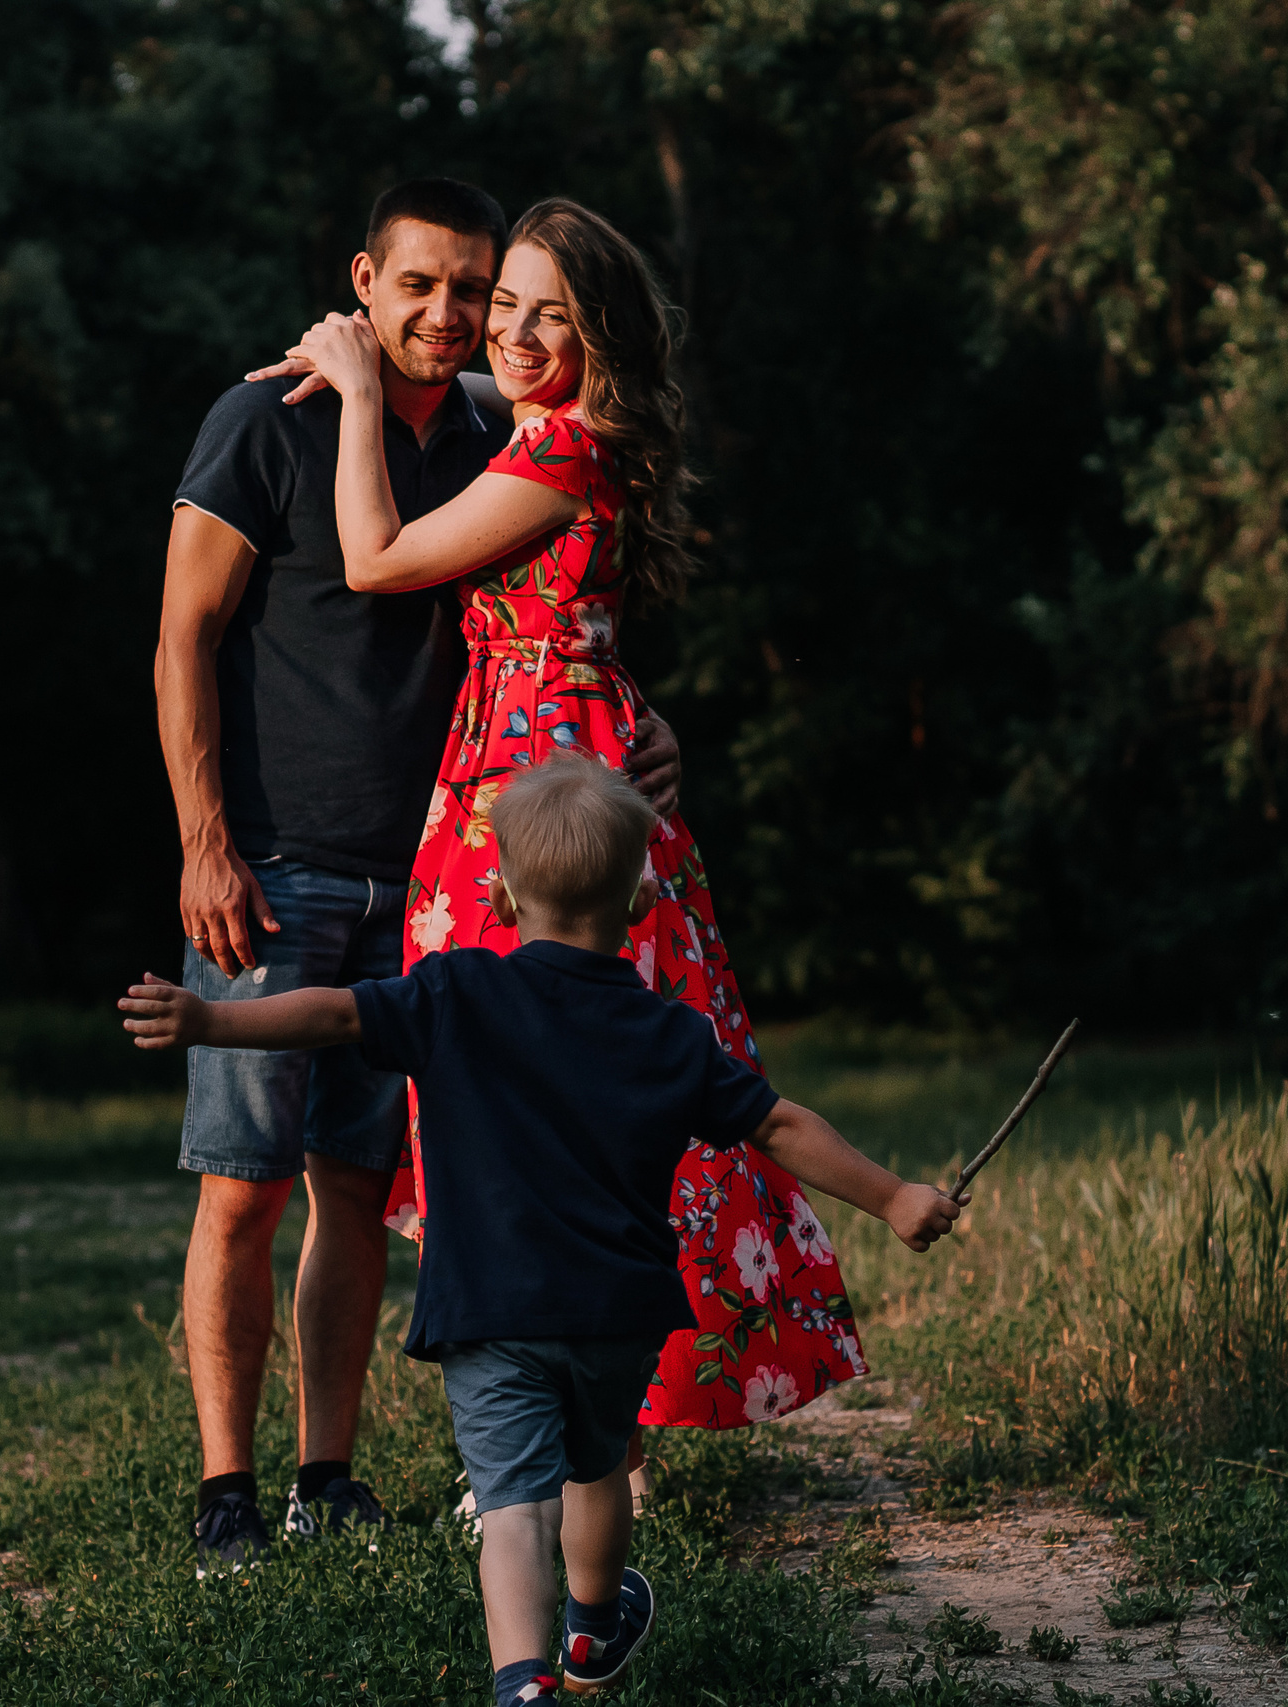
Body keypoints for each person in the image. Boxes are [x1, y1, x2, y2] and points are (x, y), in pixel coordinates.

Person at [120, 757, 966, 1707]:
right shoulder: (670, 1031)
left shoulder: (453, 993)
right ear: (643, 894)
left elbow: (331, 1012)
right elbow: (780, 1124)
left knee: (515, 1505)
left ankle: (522, 1682)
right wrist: (894, 1195)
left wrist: (210, 1019)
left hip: (489, 1311)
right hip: (616, 1314)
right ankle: (595, 1631)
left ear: (501, 891)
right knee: (598, 1469)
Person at [269, 197, 870, 1431]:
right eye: (507, 306)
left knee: (542, 1079)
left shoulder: (558, 449)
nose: (518, 334)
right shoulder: (541, 429)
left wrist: (356, 388)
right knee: (561, 1074)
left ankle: (585, 1427)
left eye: (556, 314)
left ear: (603, 335)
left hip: (530, 785)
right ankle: (567, 1419)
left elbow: (376, 560)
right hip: (537, 750)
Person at [156, 178, 686, 1574]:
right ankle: (226, 1487)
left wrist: (634, 714)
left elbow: (555, 595)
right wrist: (207, 841)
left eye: (479, 291)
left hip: (434, 869)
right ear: (363, 282)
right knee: (241, 1184)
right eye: (427, 287)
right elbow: (182, 640)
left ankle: (327, 1474)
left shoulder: (485, 436)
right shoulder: (261, 420)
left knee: (360, 1187)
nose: (453, 316)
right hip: (272, 867)